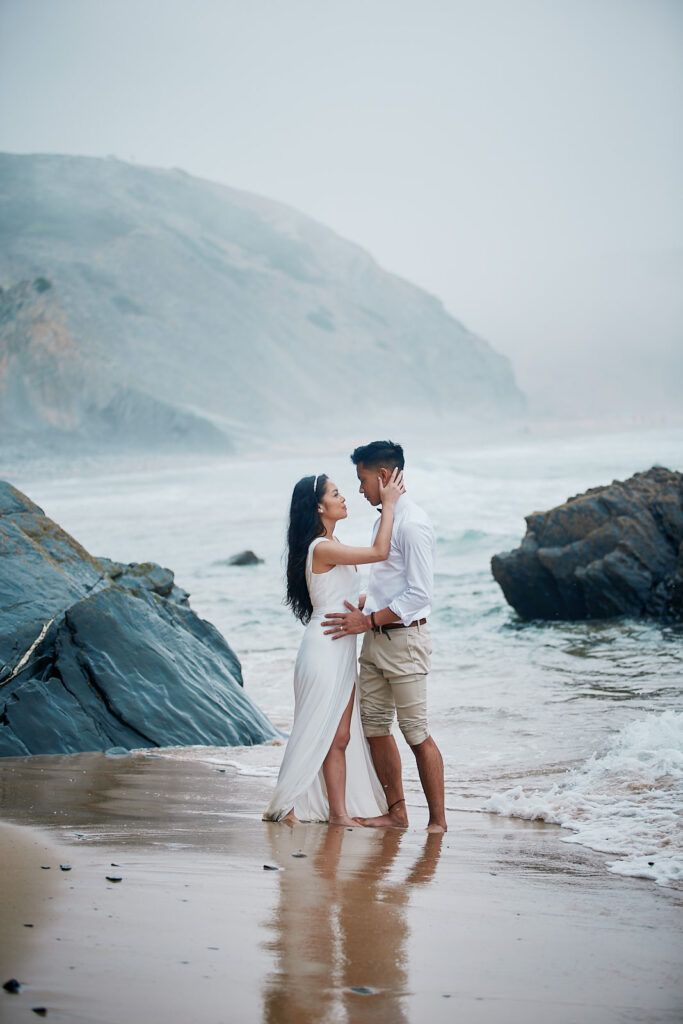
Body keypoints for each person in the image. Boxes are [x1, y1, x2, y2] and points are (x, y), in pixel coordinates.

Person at [263, 468, 405, 826]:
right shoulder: (322, 547)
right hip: (324, 651)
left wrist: (387, 600)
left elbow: (344, 598)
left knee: (339, 737)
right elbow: (379, 552)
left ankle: (338, 814)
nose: (344, 498)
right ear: (319, 507)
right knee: (313, 730)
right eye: (336, 494)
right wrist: (389, 504)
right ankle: (286, 805)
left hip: (340, 648)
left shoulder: (331, 544)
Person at [322, 441, 447, 833]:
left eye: (362, 480)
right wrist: (356, 603)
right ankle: (397, 813)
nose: (359, 490)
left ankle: (438, 822)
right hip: (375, 639)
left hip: (405, 641)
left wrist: (369, 620)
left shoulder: (413, 523)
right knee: (375, 728)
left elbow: (420, 594)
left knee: (416, 733)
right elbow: (389, 585)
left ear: (382, 475)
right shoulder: (384, 520)